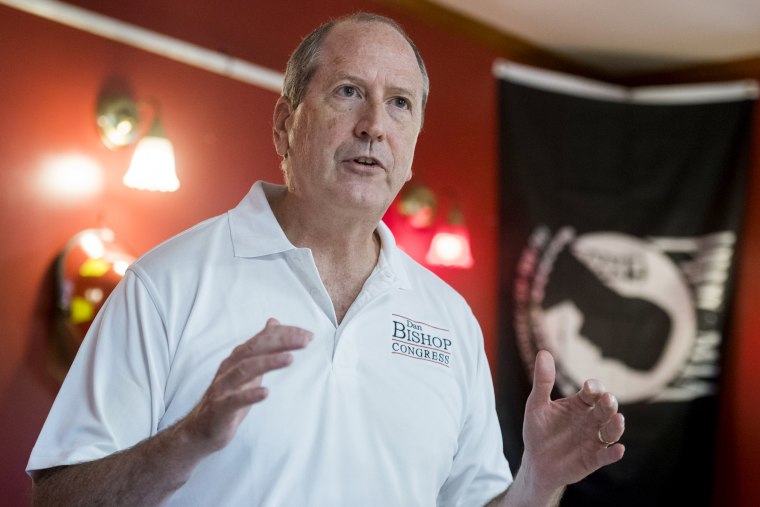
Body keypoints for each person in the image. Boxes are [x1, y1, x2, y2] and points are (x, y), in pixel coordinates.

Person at [28, 12, 625, 506]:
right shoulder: (166, 286)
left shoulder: (448, 319)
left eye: (399, 104)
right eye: (348, 92)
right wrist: (189, 439)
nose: (373, 126)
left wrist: (537, 485)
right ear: (287, 123)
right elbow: (55, 499)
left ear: (413, 145)